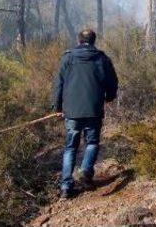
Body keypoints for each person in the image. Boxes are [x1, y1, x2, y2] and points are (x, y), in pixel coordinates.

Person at [52, 29, 118, 198]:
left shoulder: (67, 58)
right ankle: (86, 171)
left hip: (72, 111)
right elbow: (112, 82)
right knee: (92, 143)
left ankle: (66, 187)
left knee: (70, 148)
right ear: (94, 41)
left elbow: (58, 84)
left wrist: (58, 108)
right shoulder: (102, 59)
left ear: (79, 40)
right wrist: (109, 97)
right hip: (93, 110)